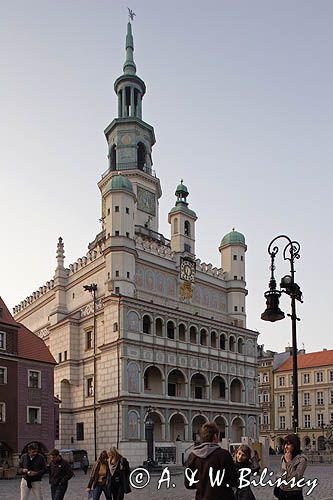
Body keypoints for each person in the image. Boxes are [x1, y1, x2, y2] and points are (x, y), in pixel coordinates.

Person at [184, 421, 238, 500]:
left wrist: (202, 484)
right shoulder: (224, 455)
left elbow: (188, 484)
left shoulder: (193, 456)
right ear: (215, 436)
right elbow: (234, 480)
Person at [275, 434, 307, 500]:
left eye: (288, 444)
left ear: (295, 445)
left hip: (294, 492)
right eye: (285, 444)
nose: (286, 447)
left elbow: (296, 477)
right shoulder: (283, 457)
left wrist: (289, 462)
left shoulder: (301, 459)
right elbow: (282, 472)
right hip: (282, 491)